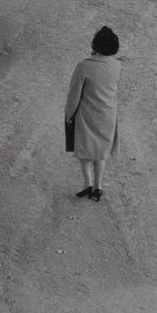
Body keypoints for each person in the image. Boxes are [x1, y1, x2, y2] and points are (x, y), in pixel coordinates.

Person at [64, 26, 121, 202]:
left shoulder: (84, 67)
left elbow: (74, 95)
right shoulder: (117, 65)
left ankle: (88, 183)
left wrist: (68, 114)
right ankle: (98, 187)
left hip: (87, 116)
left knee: (85, 151)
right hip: (108, 115)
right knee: (100, 153)